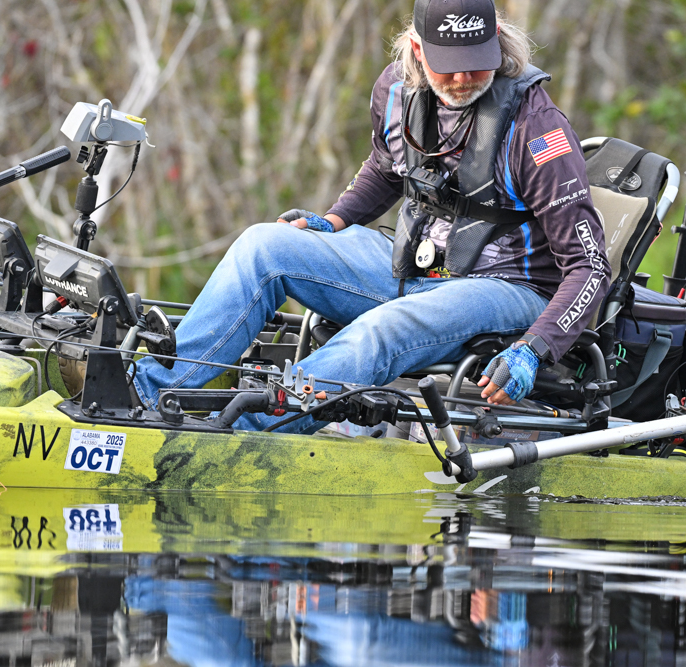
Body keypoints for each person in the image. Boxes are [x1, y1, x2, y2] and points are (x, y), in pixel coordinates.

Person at [132, 0, 610, 433]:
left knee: (383, 328)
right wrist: (334, 221)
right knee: (263, 246)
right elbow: (385, 169)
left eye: (477, 61)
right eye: (449, 66)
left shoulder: (537, 129)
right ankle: (147, 399)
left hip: (509, 287)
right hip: (420, 266)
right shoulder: (396, 90)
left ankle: (240, 434)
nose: (463, 78)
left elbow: (590, 267)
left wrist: (536, 348)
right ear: (418, 49)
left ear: (497, 39)